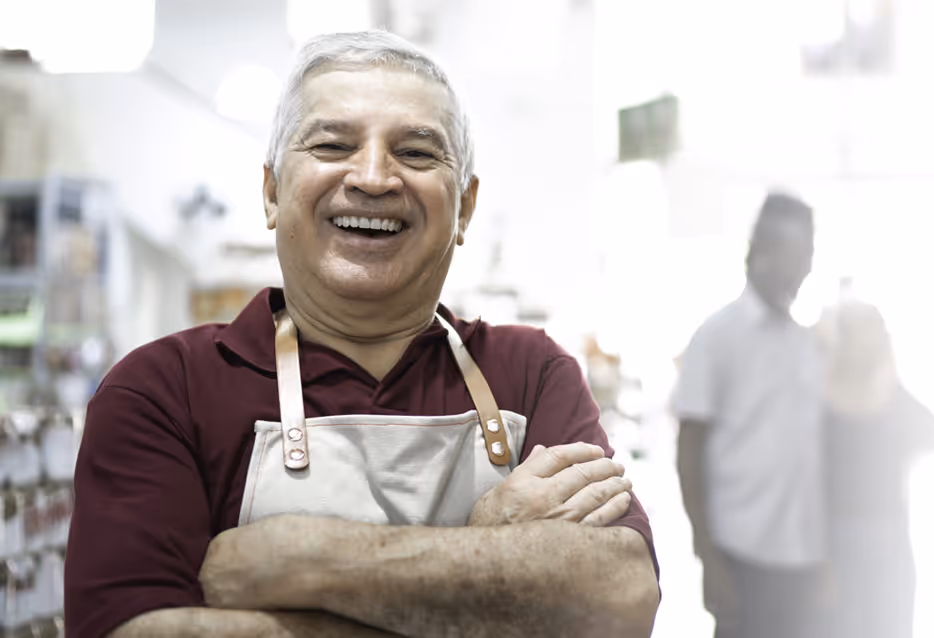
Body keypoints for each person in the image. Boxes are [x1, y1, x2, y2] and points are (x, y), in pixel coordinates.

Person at [64, 31, 660, 638]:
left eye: (417, 153)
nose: (374, 177)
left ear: (464, 208)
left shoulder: (530, 373)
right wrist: (493, 569)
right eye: (332, 145)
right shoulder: (165, 391)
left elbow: (622, 595)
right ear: (272, 193)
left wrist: (298, 558)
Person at [674, 193, 827, 638]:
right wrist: (708, 557)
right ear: (764, 251)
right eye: (800, 254)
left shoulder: (802, 342)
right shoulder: (716, 337)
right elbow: (688, 453)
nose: (807, 267)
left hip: (803, 559)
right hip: (742, 558)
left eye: (811, 255)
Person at [815, 294, 934, 638]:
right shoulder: (819, 401)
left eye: (879, 330)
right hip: (838, 542)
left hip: (889, 537)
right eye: (867, 330)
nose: (876, 338)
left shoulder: (891, 395)